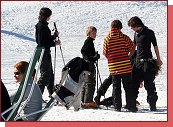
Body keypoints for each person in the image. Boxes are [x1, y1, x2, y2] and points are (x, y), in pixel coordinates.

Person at [128, 16, 163, 111]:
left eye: (132, 26)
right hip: (138, 62)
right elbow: (133, 46)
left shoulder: (149, 32)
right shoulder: (135, 34)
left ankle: (152, 105)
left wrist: (159, 59)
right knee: (134, 83)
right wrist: (128, 57)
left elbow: (155, 46)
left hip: (148, 62)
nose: (131, 28)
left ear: (136, 25)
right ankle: (131, 105)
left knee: (149, 84)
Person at [103, 20, 137, 112]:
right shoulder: (124, 37)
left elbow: (105, 53)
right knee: (128, 87)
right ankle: (131, 106)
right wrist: (128, 56)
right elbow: (133, 48)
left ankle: (117, 107)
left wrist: (112, 60)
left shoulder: (107, 39)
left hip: (114, 67)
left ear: (111, 27)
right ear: (120, 28)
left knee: (116, 87)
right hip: (126, 66)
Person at [35, 7, 60, 97]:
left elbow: (45, 39)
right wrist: (55, 43)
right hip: (43, 53)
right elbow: (42, 42)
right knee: (45, 75)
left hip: (45, 53)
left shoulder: (42, 25)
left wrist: (54, 36)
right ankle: (36, 96)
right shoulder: (41, 26)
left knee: (50, 74)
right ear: (47, 16)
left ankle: (52, 95)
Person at [81, 26, 100, 108]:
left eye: (95, 33)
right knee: (90, 82)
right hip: (89, 65)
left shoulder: (89, 41)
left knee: (86, 83)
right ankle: (88, 101)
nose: (95, 34)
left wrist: (94, 56)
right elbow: (83, 51)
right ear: (89, 33)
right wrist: (93, 58)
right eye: (93, 33)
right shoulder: (88, 41)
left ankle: (83, 100)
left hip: (87, 64)